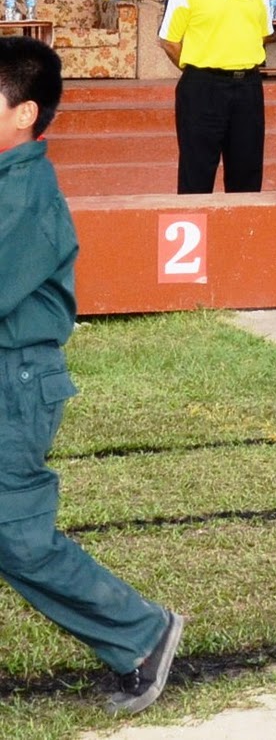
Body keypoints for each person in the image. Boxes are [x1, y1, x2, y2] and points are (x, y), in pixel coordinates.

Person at [0, 37, 186, 715]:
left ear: (24, 114)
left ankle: (142, 634)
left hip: (14, 382)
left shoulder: (23, 195)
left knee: (15, 534)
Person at [158, 0, 272, 193]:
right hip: (202, 88)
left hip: (248, 87)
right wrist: (202, 67)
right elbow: (169, 41)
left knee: (247, 170)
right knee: (196, 171)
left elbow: (263, 34)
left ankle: (240, 235)